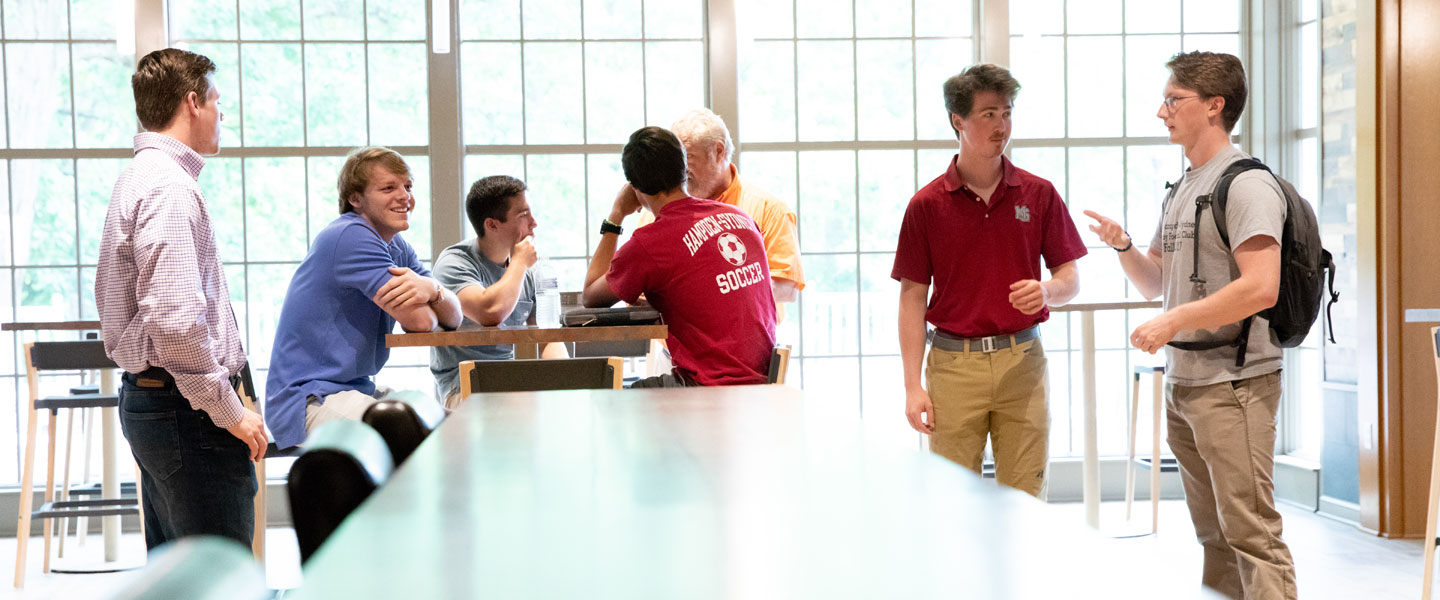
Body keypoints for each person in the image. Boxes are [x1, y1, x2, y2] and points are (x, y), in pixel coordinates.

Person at [1085, 51, 1296, 600]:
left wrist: (1176, 319)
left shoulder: (1245, 184)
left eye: (1173, 100)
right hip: (1186, 383)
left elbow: (1261, 286)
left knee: (1252, 535)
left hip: (1235, 385)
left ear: (1215, 106)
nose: (1162, 112)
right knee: (1215, 537)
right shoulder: (1183, 187)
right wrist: (1124, 246)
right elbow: (1155, 281)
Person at [96, 48, 265, 549]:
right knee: (217, 575)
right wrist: (228, 409)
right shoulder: (169, 186)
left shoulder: (139, 176)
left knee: (180, 573)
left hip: (157, 399)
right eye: (217, 101)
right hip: (184, 409)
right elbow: (173, 321)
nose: (221, 115)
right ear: (192, 103)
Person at [892, 64, 1085, 497]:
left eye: (1007, 112)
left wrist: (1047, 291)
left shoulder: (1039, 193)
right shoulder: (926, 205)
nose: (1002, 126)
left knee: (1025, 498)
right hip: (953, 366)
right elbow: (911, 300)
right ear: (957, 121)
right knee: (952, 501)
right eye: (988, 114)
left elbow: (1070, 278)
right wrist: (911, 386)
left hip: (1023, 361)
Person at [266, 146, 462, 449]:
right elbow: (422, 321)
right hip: (308, 399)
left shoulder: (396, 245)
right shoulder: (351, 236)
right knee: (421, 439)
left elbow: (454, 316)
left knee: (455, 426)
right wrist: (429, 295)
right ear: (355, 199)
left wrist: (431, 289)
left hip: (354, 389)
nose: (405, 196)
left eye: (408, 186)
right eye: (389, 188)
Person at [582, 126, 776, 388]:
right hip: (763, 384)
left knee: (612, 398)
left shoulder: (651, 242)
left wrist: (616, 215)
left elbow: (591, 296)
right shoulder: (741, 218)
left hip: (708, 390)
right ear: (683, 167)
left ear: (635, 186)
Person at [634, 108, 805, 315]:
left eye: (687, 158)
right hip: (671, 346)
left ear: (718, 151)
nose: (678, 169)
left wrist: (710, 289)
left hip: (748, 345)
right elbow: (636, 289)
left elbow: (786, 288)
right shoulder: (655, 211)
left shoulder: (769, 209)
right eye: (673, 161)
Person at [429, 175, 567, 407]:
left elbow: (548, 338)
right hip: (461, 385)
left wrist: (566, 382)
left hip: (510, 382)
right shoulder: (454, 263)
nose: (534, 223)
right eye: (523, 215)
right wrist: (520, 263)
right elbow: (489, 312)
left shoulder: (526, 270)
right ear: (491, 224)